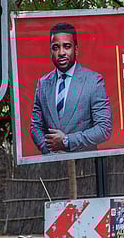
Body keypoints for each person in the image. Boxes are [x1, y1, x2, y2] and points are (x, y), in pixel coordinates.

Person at [30, 22, 112, 154]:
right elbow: (35, 126)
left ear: (76, 49)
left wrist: (67, 141)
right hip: (53, 166)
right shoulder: (43, 83)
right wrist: (49, 152)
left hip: (86, 166)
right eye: (56, 47)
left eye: (67, 46)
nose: (61, 52)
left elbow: (104, 129)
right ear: (51, 51)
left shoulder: (93, 81)